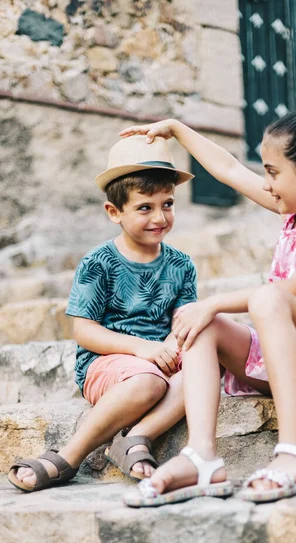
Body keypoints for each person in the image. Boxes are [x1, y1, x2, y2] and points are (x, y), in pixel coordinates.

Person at [119, 93, 296, 508]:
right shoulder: (293, 210)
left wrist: (214, 301)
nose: (265, 183)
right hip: (284, 348)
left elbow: (291, 292)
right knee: (203, 327)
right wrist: (176, 129)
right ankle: (202, 456)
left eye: (273, 172)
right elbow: (229, 169)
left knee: (263, 298)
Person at [7, 135, 229, 496]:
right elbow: (84, 331)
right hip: (108, 363)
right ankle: (69, 456)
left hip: (160, 361)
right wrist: (143, 350)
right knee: (149, 382)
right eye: (145, 208)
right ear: (114, 212)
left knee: (207, 369)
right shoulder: (100, 263)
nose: (160, 217)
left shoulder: (181, 264)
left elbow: (183, 318)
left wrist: (174, 345)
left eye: (168, 204)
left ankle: (138, 436)